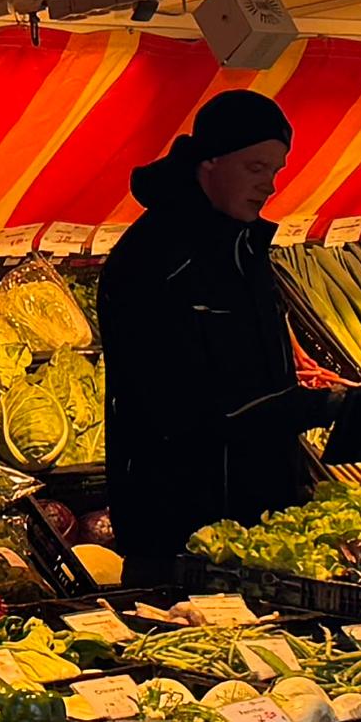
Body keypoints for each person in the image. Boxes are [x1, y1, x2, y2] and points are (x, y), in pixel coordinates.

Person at [96, 88, 314, 589]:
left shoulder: (243, 249)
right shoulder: (153, 260)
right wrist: (294, 410)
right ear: (210, 162)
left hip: (254, 527)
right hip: (180, 536)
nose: (270, 185)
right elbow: (169, 407)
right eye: (256, 168)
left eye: (276, 171)